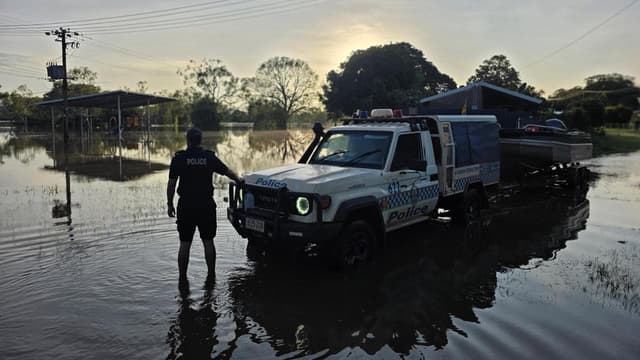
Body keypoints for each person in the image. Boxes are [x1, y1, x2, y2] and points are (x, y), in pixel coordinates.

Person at [167, 127, 242, 280]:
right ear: (200, 141)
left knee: (184, 243)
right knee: (208, 241)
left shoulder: (179, 158)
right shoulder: (209, 157)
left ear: (187, 140)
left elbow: (171, 185)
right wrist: (240, 181)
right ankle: (211, 275)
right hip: (205, 205)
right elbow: (228, 172)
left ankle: (182, 278)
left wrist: (169, 204)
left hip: (186, 205)